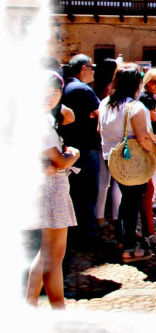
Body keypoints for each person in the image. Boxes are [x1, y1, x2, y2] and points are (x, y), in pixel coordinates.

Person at [26, 71, 80, 309]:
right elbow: (60, 161)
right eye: (44, 92)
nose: (50, 97)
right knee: (54, 255)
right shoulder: (39, 121)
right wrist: (73, 155)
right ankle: (58, 309)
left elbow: (69, 115)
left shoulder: (43, 117)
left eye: (55, 92)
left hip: (51, 186)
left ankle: (31, 304)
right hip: (51, 189)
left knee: (47, 252)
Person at [99, 63, 156, 262]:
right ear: (137, 85)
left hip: (111, 159)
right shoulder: (135, 107)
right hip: (132, 161)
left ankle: (124, 237)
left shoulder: (105, 103)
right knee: (132, 202)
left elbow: (100, 130)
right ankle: (129, 248)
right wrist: (154, 151)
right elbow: (143, 137)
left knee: (127, 199)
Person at [59, 54, 102, 248]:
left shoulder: (65, 86)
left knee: (74, 192)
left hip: (69, 147)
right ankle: (88, 235)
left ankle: (73, 234)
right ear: (84, 68)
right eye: (91, 68)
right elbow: (100, 114)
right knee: (88, 192)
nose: (93, 72)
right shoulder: (83, 89)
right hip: (86, 147)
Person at [138, 68, 156, 251]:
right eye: (154, 82)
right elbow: (155, 116)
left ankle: (155, 201)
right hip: (152, 138)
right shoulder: (145, 97)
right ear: (147, 82)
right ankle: (151, 204)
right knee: (154, 171)